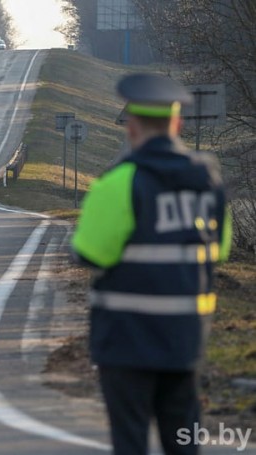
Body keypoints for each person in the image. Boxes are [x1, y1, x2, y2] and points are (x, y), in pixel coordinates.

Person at [71, 73, 232, 455]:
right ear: (177, 123)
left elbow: (91, 252)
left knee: (131, 440)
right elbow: (220, 249)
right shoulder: (208, 180)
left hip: (127, 343)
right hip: (185, 340)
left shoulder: (119, 182)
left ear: (132, 126)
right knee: (183, 440)